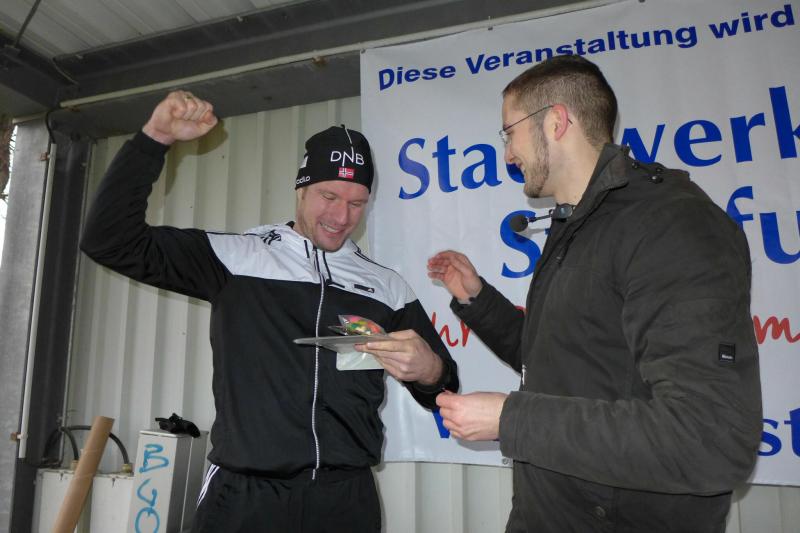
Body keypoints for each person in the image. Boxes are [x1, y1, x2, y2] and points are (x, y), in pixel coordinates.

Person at [80, 91, 459, 533]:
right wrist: (155, 138)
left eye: (357, 202)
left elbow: (440, 388)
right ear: (301, 189)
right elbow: (108, 240)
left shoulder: (386, 286)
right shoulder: (236, 258)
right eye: (328, 195)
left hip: (345, 499)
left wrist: (431, 370)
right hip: (244, 497)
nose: (341, 215)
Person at [428, 55, 761, 532]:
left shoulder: (672, 225)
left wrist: (511, 420)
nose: (507, 154)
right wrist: (478, 300)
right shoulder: (577, 224)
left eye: (509, 133)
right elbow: (563, 359)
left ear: (556, 121)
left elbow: (710, 439)